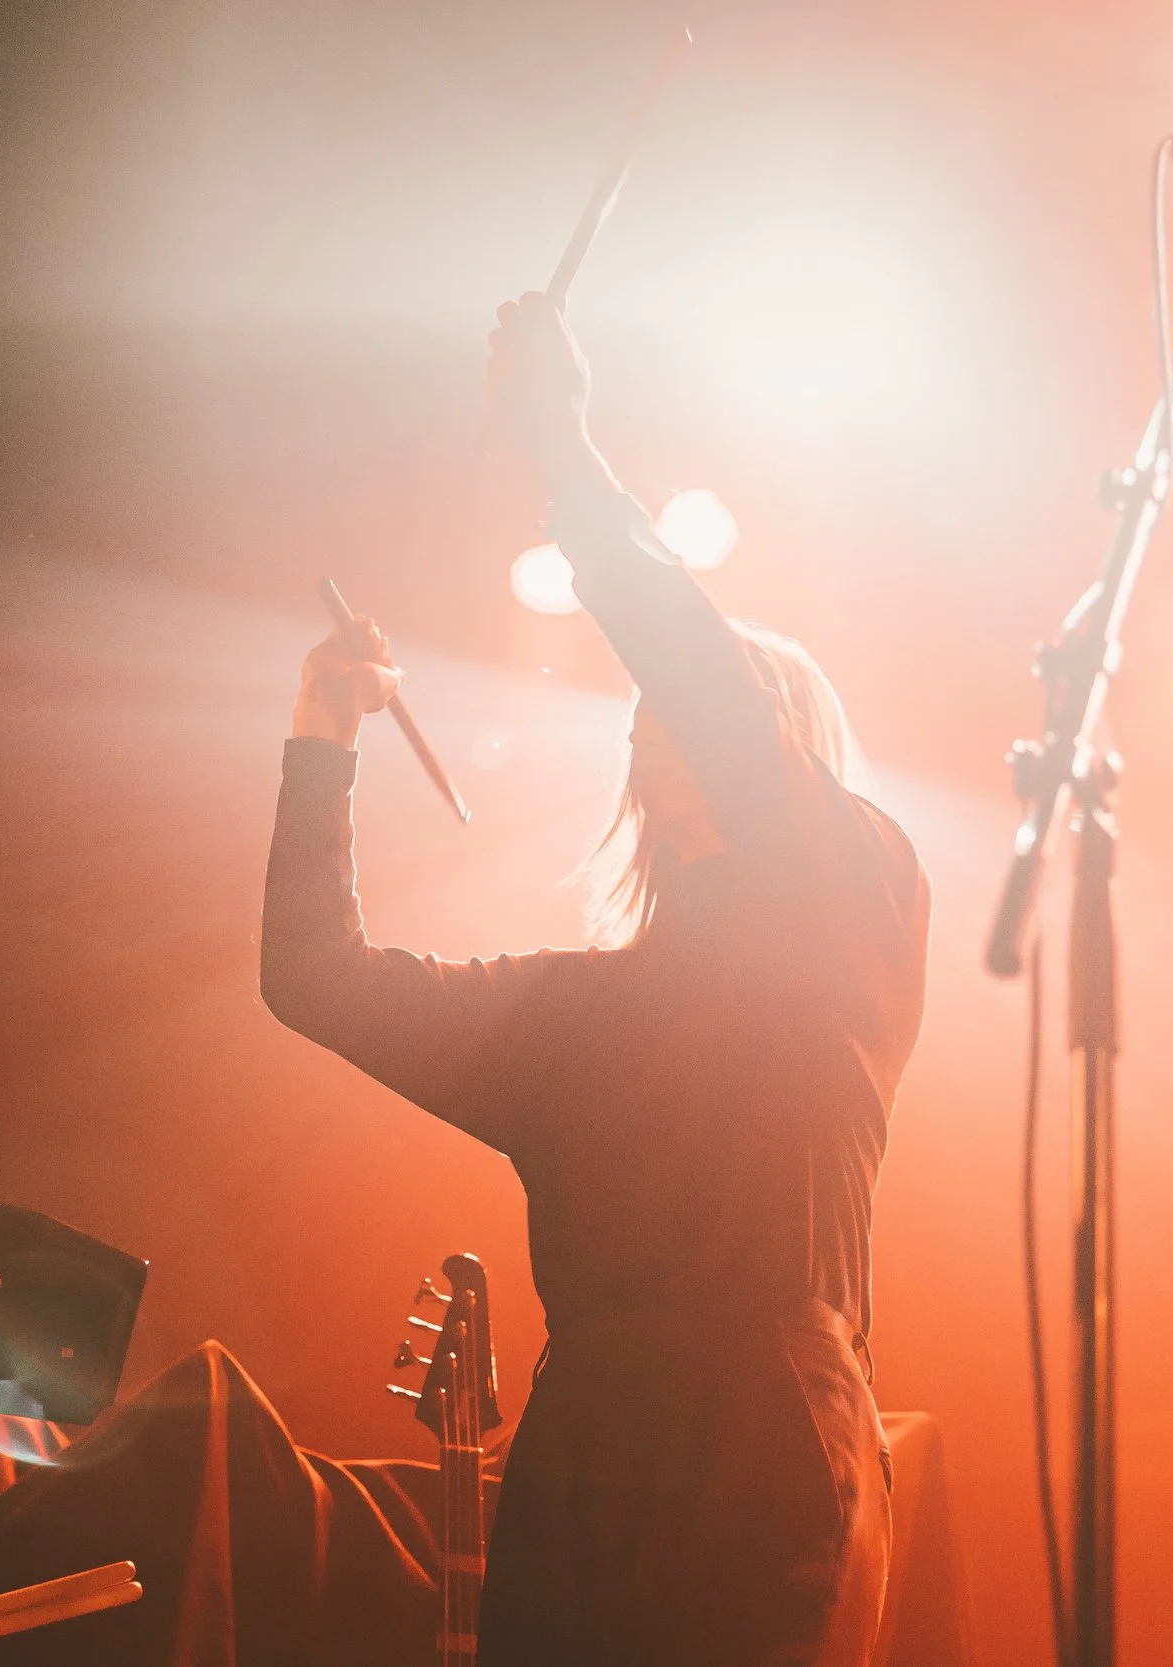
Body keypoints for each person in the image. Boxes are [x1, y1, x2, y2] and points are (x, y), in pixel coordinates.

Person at [259, 292, 931, 1667]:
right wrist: (322, 739)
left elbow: (697, 674)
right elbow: (314, 977)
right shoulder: (572, 1015)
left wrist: (563, 449)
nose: (655, 719)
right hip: (580, 1453)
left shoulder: (853, 892)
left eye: (694, 699)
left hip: (765, 1427)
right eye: (644, 714)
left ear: (781, 744)